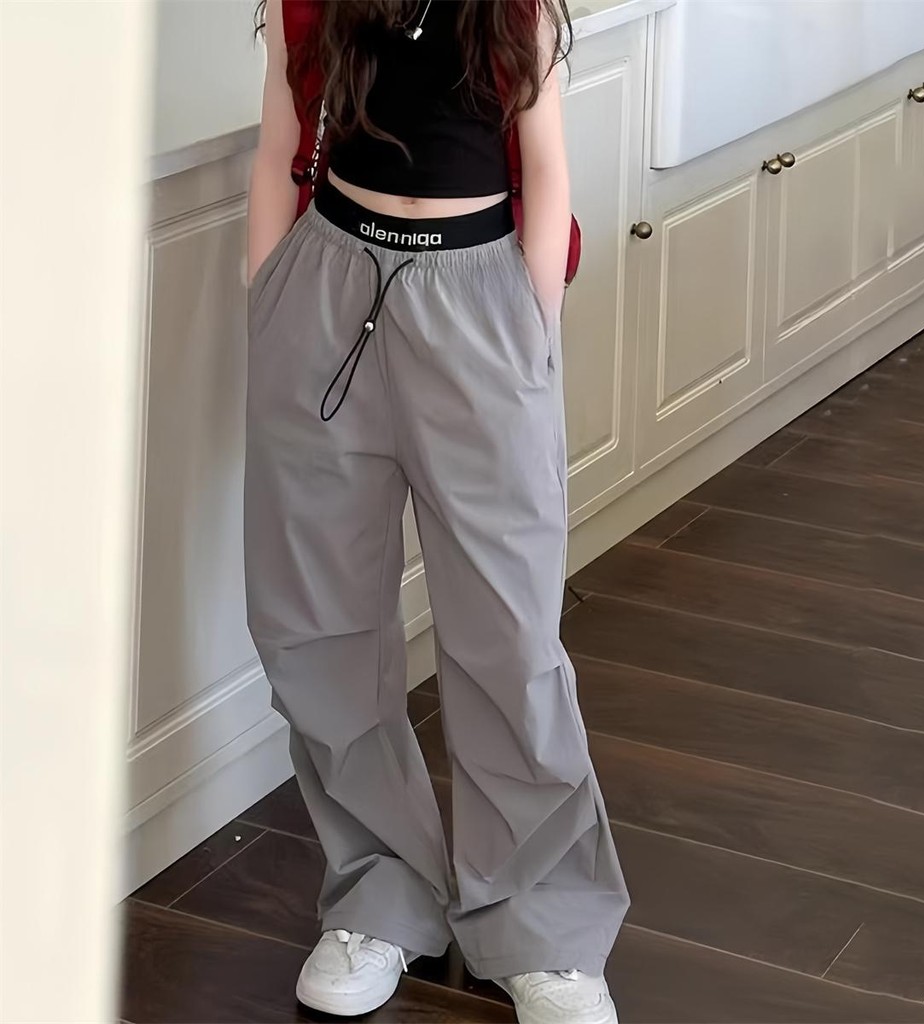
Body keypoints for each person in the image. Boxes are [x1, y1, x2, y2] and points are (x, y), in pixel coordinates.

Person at [244, 1, 630, 1021]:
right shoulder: (305, 4)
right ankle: (378, 896)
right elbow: (280, 143)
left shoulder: (516, 10)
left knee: (509, 628)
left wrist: (530, 332)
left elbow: (545, 167)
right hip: (325, 285)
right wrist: (269, 299)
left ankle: (541, 924)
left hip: (480, 293)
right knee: (316, 620)